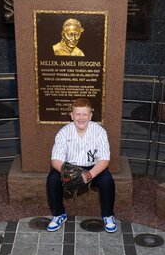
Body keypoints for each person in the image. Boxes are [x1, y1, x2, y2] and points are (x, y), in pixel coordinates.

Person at [46, 98, 116, 233]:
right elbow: (55, 160)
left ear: (90, 116)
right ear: (71, 116)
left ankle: (108, 215)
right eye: (78, 114)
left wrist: (89, 174)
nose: (81, 118)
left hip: (93, 168)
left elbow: (104, 160)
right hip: (70, 168)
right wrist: (71, 173)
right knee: (53, 179)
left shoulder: (99, 131)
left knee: (107, 180)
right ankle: (58, 214)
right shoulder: (63, 132)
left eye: (85, 114)